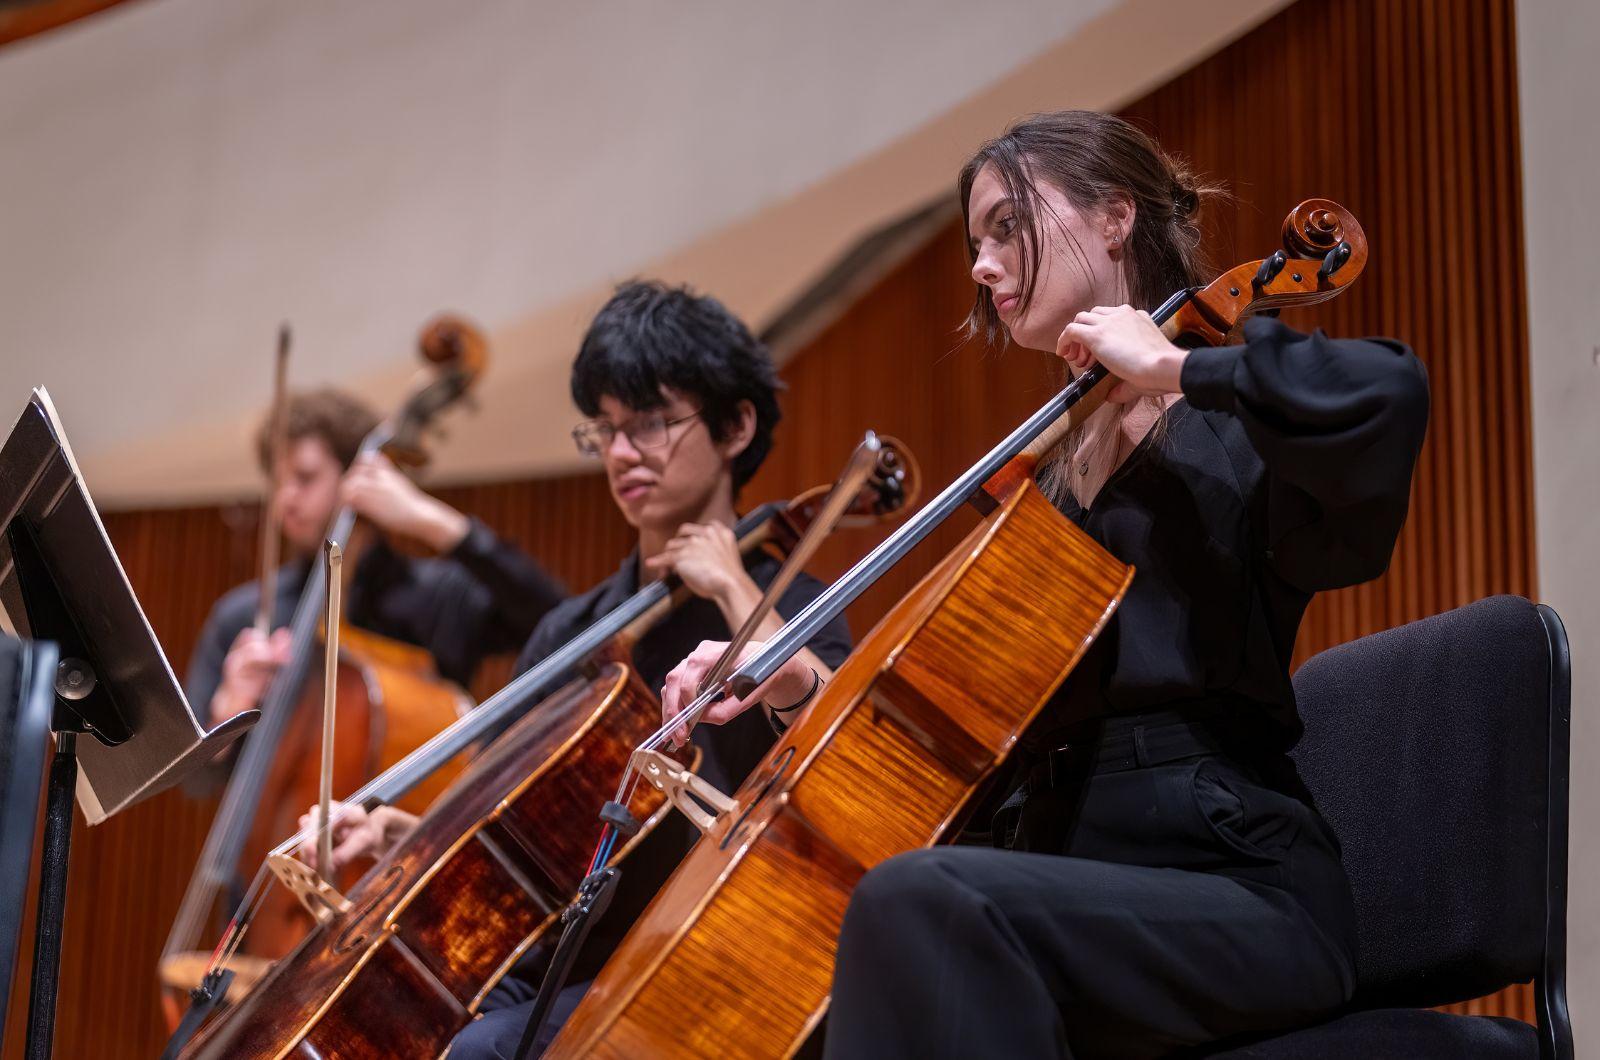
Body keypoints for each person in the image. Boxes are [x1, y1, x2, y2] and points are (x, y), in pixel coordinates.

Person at [658, 111, 1430, 1057]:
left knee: (924, 904)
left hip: (1234, 888)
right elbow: (957, 721)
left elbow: (1387, 394)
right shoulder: (1047, 485)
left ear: (1115, 218)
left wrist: (1177, 368)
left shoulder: (1223, 423)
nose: (981, 265)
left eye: (1006, 227)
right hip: (1058, 875)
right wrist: (794, 682)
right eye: (973, 243)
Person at [301, 281, 852, 1057]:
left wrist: (734, 586)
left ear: (736, 426)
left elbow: (839, 767)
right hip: (558, 964)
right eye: (606, 430)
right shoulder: (575, 630)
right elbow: (511, 821)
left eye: (652, 422)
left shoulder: (794, 603)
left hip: (710, 952)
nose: (622, 453)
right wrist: (397, 829)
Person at [184, 387, 564, 785]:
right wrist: (226, 714)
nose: (285, 499)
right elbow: (198, 784)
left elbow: (560, 623)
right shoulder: (245, 615)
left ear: (360, 475)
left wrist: (434, 521)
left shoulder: (441, 594)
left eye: (305, 478)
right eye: (277, 482)